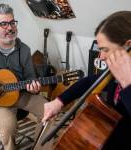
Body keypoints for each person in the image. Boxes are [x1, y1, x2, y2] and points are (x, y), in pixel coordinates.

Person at [42, 11, 131, 149]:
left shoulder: (125, 76)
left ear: (127, 46)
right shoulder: (115, 74)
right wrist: (59, 101)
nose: (100, 56)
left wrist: (128, 84)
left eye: (105, 49)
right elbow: (89, 81)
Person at [0, 4, 47, 150]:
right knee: (7, 130)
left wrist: (34, 88)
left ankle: (40, 146)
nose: (10, 28)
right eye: (4, 24)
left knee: (50, 112)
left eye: (12, 23)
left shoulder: (24, 50)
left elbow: (31, 77)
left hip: (22, 94)